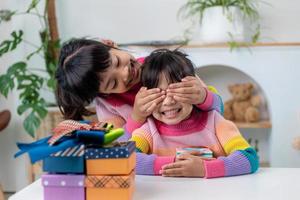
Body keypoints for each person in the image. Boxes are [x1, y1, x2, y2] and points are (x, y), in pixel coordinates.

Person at [55, 39, 223, 141]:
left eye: (117, 62)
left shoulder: (164, 65)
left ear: (111, 45)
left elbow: (218, 110)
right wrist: (137, 117)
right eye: (113, 83)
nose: (125, 73)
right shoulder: (107, 105)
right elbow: (118, 143)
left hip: (198, 146)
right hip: (155, 164)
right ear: (103, 93)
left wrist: (203, 97)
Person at [130, 49, 259, 178]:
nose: (168, 102)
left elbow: (249, 158)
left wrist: (205, 169)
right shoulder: (148, 130)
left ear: (194, 90)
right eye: (159, 94)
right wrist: (174, 164)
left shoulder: (215, 122)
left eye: (177, 91)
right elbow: (128, 158)